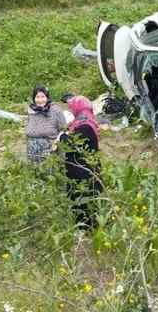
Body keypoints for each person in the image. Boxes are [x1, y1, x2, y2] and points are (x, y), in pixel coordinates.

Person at [59, 96, 103, 229]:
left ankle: (88, 229)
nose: (71, 110)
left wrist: (63, 136)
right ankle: (85, 227)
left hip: (83, 172)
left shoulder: (84, 127)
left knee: (84, 200)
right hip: (81, 169)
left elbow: (71, 144)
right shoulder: (82, 122)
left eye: (72, 107)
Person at [25, 84, 67, 162]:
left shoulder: (55, 110)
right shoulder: (31, 110)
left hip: (49, 151)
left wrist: (56, 143)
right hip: (32, 151)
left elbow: (64, 130)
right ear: (34, 98)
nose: (40, 100)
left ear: (47, 97)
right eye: (37, 97)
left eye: (43, 97)